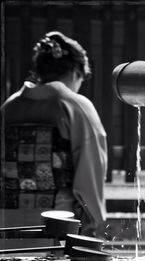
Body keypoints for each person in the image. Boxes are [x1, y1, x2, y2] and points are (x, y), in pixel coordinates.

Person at [1, 31, 107, 236]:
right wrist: (94, 228)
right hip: (58, 225)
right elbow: (89, 180)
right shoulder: (75, 107)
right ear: (76, 72)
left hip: (6, 227)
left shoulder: (8, 108)